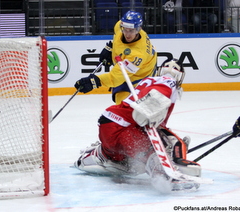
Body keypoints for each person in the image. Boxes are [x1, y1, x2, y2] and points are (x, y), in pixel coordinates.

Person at [74, 59, 202, 192]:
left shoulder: (148, 80)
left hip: (109, 122)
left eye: (175, 67)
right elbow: (159, 92)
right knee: (160, 146)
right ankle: (165, 173)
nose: (171, 69)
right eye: (169, 66)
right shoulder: (168, 81)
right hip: (123, 128)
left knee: (128, 162)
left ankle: (102, 155)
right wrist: (150, 106)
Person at [74, 10, 157, 105]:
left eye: (131, 31)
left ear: (138, 29)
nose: (127, 34)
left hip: (139, 79)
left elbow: (115, 78)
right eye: (125, 29)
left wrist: (94, 81)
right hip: (126, 72)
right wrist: (110, 48)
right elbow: (119, 40)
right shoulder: (119, 27)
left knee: (124, 108)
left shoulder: (137, 55)